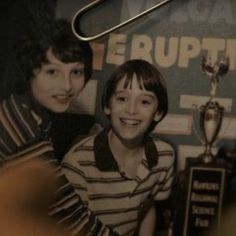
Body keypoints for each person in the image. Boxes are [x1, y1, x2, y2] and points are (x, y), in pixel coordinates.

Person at [0, 18, 118, 235]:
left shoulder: (18, 108)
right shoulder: (25, 131)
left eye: (76, 72)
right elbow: (69, 218)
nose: (66, 86)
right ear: (30, 72)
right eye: (52, 72)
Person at [62, 59, 175, 235]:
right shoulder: (78, 164)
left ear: (158, 113)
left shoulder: (164, 156)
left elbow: (147, 206)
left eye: (144, 102)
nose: (131, 110)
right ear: (108, 106)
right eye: (122, 98)